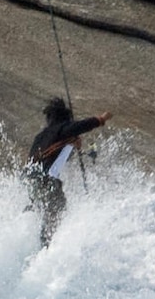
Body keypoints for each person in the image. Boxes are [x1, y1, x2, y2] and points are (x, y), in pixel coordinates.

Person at [26, 97, 112, 248]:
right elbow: (81, 126)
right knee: (57, 209)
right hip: (47, 181)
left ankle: (36, 244)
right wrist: (101, 119)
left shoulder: (40, 137)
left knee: (43, 212)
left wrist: (70, 145)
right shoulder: (61, 129)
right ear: (65, 117)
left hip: (31, 181)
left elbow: (51, 158)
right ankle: (46, 249)